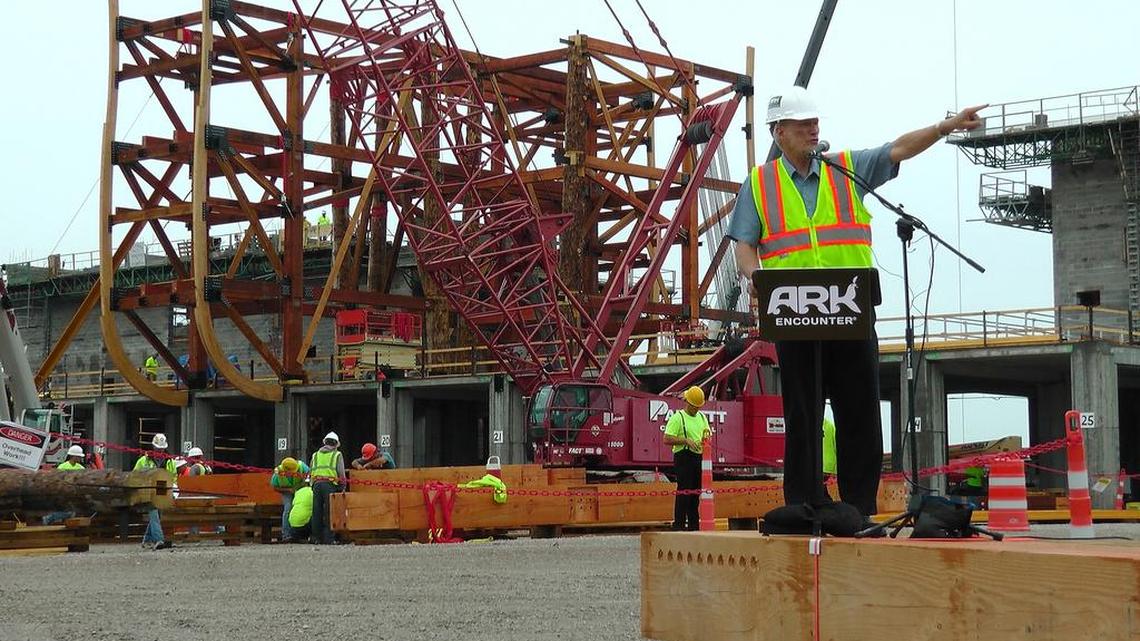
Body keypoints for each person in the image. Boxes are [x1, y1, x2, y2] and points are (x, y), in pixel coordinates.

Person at [730, 86, 984, 518]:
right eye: (804, 123)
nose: (814, 129)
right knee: (803, 415)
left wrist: (944, 127)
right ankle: (806, 502)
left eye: (816, 122)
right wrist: (757, 279)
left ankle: (858, 507)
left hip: (849, 311)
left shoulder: (845, 168)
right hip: (793, 316)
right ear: (779, 132)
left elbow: (898, 149)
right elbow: (744, 245)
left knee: (860, 412)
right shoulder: (759, 184)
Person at [662, 386, 711, 531]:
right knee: (684, 491)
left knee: (695, 493)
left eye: (698, 406)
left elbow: (707, 434)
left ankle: (694, 525)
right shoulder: (678, 418)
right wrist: (686, 441)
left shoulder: (702, 417)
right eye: (695, 406)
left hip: (698, 457)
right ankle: (679, 525)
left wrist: (704, 440)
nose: (697, 409)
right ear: (688, 402)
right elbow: (666, 438)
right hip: (683, 457)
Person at [134, 433, 178, 550]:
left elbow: (173, 478)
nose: (160, 450)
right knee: (154, 513)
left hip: (163, 493)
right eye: (158, 448)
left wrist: (174, 491)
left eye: (162, 448)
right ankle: (159, 539)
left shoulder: (170, 462)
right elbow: (135, 476)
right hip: (148, 492)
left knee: (157, 515)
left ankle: (147, 539)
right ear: (154, 447)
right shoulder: (143, 460)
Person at [309, 431, 345, 545]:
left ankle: (316, 538)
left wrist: (312, 485)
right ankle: (329, 538)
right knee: (329, 511)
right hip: (329, 485)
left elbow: (311, 470)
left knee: (316, 512)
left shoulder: (315, 455)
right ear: (335, 444)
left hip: (316, 484)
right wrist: (342, 486)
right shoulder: (337, 455)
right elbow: (341, 472)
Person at [43, 445, 86, 525]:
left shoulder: (81, 468)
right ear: (73, 456)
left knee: (72, 513)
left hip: (74, 494)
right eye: (79, 457)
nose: (80, 458)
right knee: (70, 513)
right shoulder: (62, 467)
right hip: (63, 494)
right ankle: (50, 518)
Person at [271, 456, 310, 542]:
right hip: (287, 492)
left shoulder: (302, 467)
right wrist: (288, 490)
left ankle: (302, 534)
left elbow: (309, 476)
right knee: (288, 508)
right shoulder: (278, 472)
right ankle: (286, 535)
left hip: (300, 489)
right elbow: (275, 487)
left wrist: (305, 484)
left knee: (303, 508)